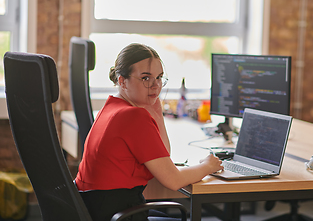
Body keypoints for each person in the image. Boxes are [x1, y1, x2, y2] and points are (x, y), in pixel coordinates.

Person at [75, 43, 223, 221]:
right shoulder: (133, 116)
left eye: (159, 77)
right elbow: (173, 180)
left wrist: (156, 110)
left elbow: (163, 156)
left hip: (98, 210)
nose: (155, 85)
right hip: (117, 213)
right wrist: (208, 166)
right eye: (146, 78)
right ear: (122, 81)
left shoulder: (112, 108)